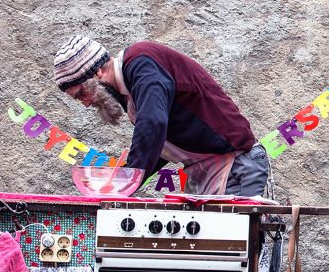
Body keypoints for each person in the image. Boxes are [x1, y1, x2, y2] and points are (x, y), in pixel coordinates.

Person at [53, 35, 269, 197]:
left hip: (235, 166)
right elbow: (158, 142)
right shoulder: (129, 89)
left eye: (81, 93)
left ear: (96, 72)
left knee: (234, 253)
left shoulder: (141, 62)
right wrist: (124, 179)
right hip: (205, 172)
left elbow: (153, 124)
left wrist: (124, 184)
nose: (86, 102)